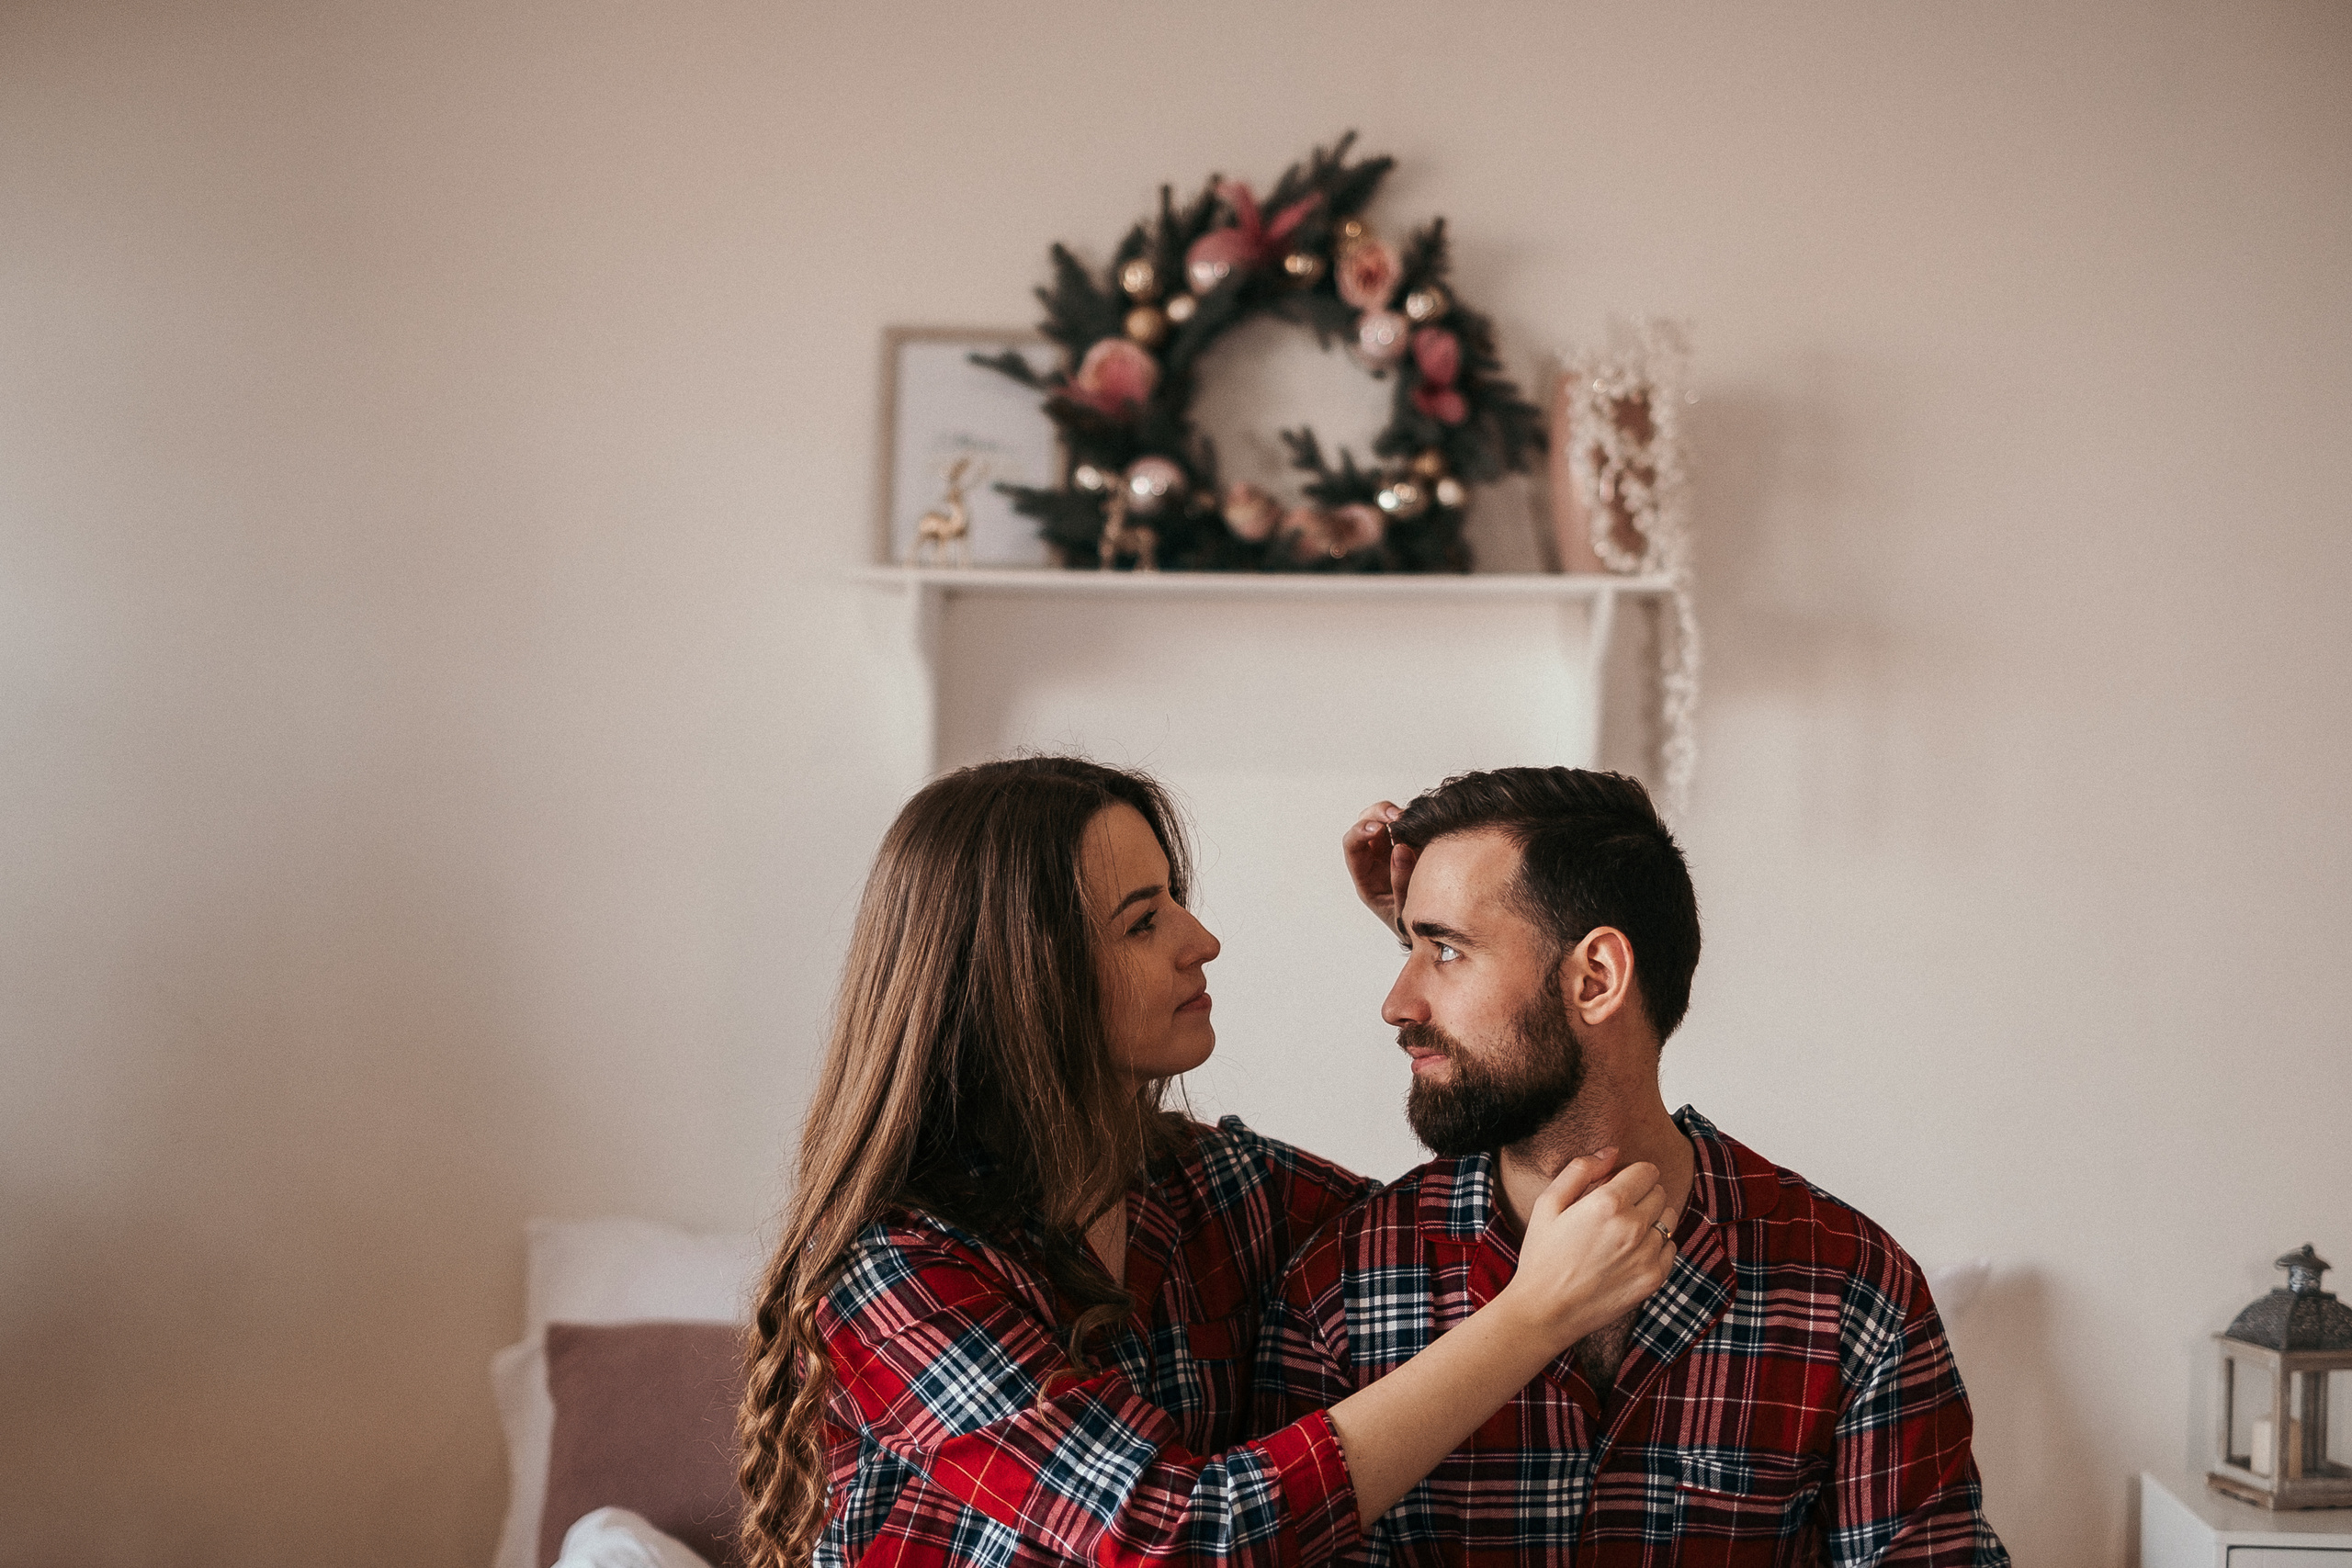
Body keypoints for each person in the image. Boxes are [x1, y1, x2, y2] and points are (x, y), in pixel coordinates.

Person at [737, 757, 1677, 1568]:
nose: (1203, 942)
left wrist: (1452, 950)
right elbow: (1177, 1539)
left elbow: (1444, 1226)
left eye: (1175, 902)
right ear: (1027, 979)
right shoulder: (898, 1272)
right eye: (1143, 922)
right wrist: (1534, 1316)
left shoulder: (1217, 1193)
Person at [1259, 766, 2009, 1567]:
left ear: (1596, 978)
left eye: (1444, 950)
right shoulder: (1339, 1291)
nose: (1397, 1002)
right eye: (1409, 943)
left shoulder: (1852, 1290)